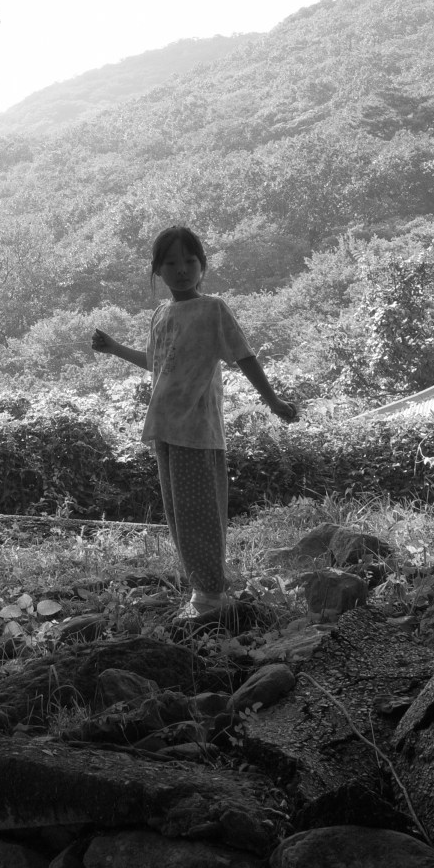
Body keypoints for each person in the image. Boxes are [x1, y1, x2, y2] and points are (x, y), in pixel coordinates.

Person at [92, 224, 297, 617]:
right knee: (178, 516)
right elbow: (156, 362)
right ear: (158, 270)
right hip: (165, 426)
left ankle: (212, 598)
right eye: (171, 262)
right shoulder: (161, 313)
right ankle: (201, 594)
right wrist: (115, 348)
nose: (181, 269)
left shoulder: (212, 308)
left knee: (200, 514)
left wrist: (273, 401)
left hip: (198, 429)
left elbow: (244, 355)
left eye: (190, 260)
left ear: (203, 265)